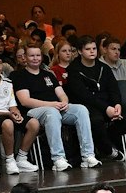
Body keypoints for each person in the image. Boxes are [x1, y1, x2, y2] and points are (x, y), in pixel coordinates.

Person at [12, 43, 96, 171]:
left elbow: (61, 93)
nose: (35, 58)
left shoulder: (48, 74)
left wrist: (64, 102)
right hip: (33, 112)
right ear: (25, 57)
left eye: (38, 55)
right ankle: (58, 159)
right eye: (32, 56)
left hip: (55, 108)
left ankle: (88, 156)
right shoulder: (19, 76)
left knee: (81, 109)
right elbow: (25, 101)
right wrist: (52, 104)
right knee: (52, 112)